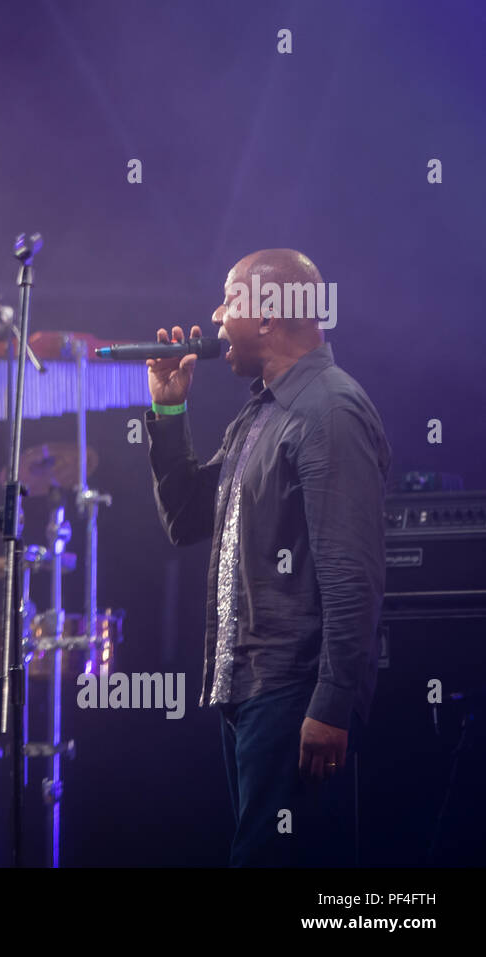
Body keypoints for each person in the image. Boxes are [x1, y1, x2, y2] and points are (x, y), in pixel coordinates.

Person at [146, 249, 389, 867]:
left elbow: (351, 574)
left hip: (294, 692)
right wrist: (170, 410)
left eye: (228, 298)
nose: (216, 313)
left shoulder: (329, 410)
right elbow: (186, 520)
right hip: (249, 690)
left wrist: (332, 704)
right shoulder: (262, 413)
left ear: (268, 313)